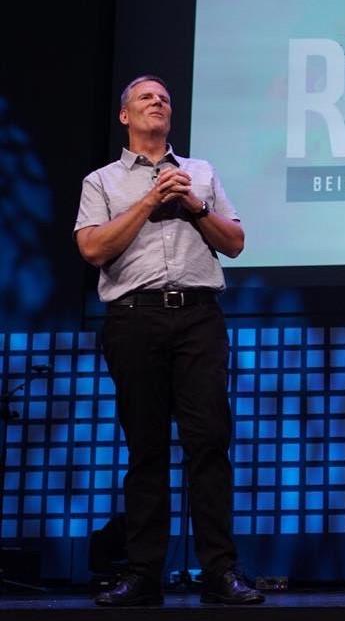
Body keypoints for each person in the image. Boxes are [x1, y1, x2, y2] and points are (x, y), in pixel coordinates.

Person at [75, 75, 264, 606]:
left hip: (199, 317)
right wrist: (149, 202)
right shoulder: (102, 181)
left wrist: (195, 207)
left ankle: (220, 571)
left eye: (164, 99)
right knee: (146, 448)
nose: (157, 102)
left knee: (209, 443)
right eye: (146, 98)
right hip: (134, 318)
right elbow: (93, 249)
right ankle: (143, 575)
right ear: (125, 116)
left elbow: (236, 242)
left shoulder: (200, 173)